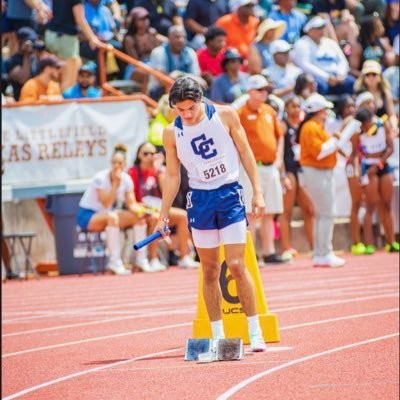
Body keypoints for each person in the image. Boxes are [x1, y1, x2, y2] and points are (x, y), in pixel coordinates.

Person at [154, 75, 268, 351]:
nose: (187, 114)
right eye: (180, 110)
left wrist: (258, 191)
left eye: (190, 108)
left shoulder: (225, 115)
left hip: (228, 194)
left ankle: (254, 330)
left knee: (237, 265)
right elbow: (172, 175)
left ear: (201, 100)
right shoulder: (171, 132)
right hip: (200, 199)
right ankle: (217, 334)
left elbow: (246, 152)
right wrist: (163, 215)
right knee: (209, 270)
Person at [76, 144, 163, 275]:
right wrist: (115, 184)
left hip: (108, 215)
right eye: (114, 162)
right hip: (88, 215)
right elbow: (106, 203)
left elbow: (132, 204)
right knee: (112, 217)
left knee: (139, 218)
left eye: (120, 163)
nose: (116, 165)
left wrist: (143, 211)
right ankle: (115, 263)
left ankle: (142, 260)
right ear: (110, 163)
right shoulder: (100, 178)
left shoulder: (126, 179)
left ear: (124, 164)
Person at [236, 74, 288, 264]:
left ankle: (269, 251)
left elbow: (279, 135)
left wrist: (279, 158)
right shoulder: (240, 112)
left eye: (266, 90)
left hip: (270, 166)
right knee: (250, 212)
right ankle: (252, 253)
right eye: (260, 90)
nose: (264, 93)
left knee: (270, 211)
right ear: (250, 91)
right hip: (250, 168)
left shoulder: (269, 111)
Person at [128, 142, 200, 268]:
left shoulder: (159, 170)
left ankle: (184, 257)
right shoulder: (133, 172)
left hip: (158, 209)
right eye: (145, 153)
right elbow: (132, 200)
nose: (149, 156)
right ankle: (153, 260)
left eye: (152, 153)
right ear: (139, 155)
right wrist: (144, 209)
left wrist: (159, 169)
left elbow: (166, 191)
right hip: (143, 210)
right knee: (156, 219)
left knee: (183, 216)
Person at [298, 93, 347, 268]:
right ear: (319, 110)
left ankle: (321, 253)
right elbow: (319, 152)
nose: (327, 112)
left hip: (320, 172)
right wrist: (336, 140)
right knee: (327, 213)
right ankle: (324, 252)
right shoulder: (311, 127)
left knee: (323, 213)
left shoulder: (315, 126)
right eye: (325, 109)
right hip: (317, 172)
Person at [351, 108, 399, 253]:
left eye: (368, 123)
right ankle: (369, 243)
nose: (367, 127)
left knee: (387, 204)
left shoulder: (383, 125)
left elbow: (390, 148)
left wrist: (379, 164)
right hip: (369, 167)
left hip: (382, 166)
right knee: (371, 205)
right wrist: (358, 172)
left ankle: (391, 242)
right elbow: (355, 154)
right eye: (364, 125)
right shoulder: (358, 132)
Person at [279, 96, 315, 258]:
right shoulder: (283, 126)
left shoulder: (303, 126)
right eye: (293, 106)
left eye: (298, 106)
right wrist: (283, 174)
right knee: (286, 212)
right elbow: (279, 152)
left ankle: (315, 247)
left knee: (310, 210)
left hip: (303, 170)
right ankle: (286, 247)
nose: (296, 109)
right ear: (286, 108)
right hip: (290, 171)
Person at [45, 0, 102, 91]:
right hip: (65, 38)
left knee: (62, 72)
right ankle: (64, 103)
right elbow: (80, 19)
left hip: (50, 35)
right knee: (69, 80)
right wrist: (92, 38)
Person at [291, 16, 355, 96]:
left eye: (323, 27)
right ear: (309, 29)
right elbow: (305, 64)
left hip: (336, 78)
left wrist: (340, 74)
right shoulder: (302, 43)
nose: (321, 30)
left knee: (350, 82)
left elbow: (342, 60)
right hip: (318, 78)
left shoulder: (330, 42)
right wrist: (326, 77)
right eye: (318, 28)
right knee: (318, 85)